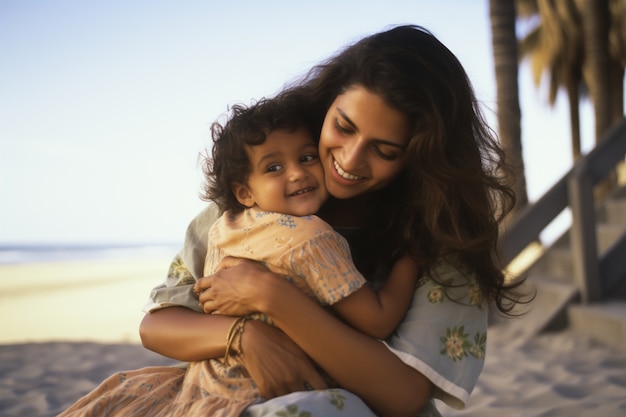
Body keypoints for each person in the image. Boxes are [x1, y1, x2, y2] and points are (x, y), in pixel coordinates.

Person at [59, 24, 528, 417]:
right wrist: (244, 336)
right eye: (343, 127)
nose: (349, 159)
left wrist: (273, 297)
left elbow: (403, 394)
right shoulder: (250, 205)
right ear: (327, 104)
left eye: (384, 151)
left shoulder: (436, 237)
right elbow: (158, 325)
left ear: (421, 157)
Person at [184, 97, 418, 416]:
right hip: (276, 390)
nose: (297, 174)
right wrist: (413, 255)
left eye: (307, 157)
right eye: (274, 167)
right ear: (244, 192)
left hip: (208, 391)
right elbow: (378, 320)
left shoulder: (224, 227)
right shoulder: (312, 238)